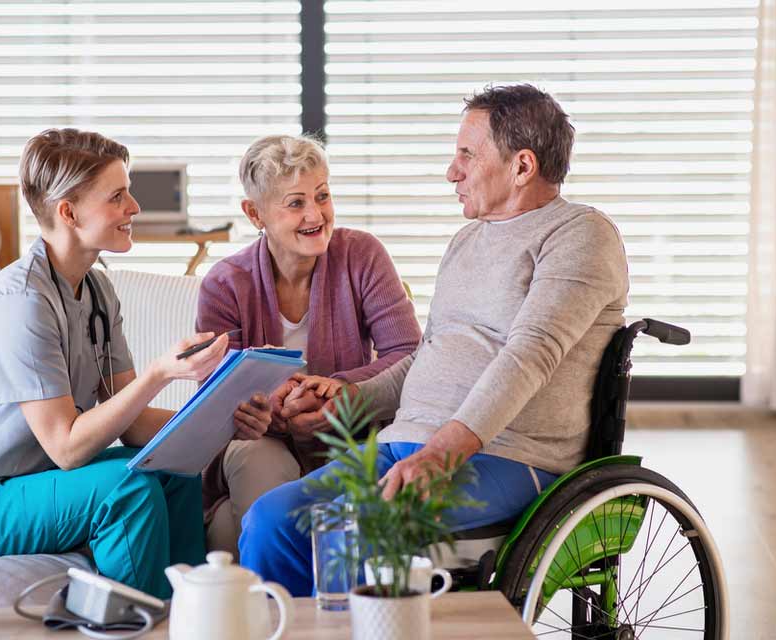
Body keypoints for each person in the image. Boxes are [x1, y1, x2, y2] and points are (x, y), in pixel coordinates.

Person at [239, 84, 631, 596]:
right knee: (270, 519)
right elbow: (430, 357)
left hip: (511, 456)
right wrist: (347, 398)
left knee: (352, 531)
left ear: (522, 166)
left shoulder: (580, 235)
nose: (453, 171)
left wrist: (441, 453)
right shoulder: (468, 239)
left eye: (468, 155)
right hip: (408, 444)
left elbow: (529, 356)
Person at [0, 128, 270, 599]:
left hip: (17, 484)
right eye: (118, 196)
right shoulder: (20, 302)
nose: (134, 208)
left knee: (172, 470)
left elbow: (134, 425)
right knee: (125, 489)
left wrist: (225, 420)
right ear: (68, 212)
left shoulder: (97, 291)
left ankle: (185, 615)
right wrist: (159, 373)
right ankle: (137, 625)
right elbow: (66, 448)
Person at [197, 134, 422, 556]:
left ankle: (291, 600)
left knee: (230, 534)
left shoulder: (362, 255)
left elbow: (409, 354)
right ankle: (292, 605)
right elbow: (216, 391)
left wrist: (333, 391)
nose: (315, 214)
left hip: (350, 437)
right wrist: (278, 404)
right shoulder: (225, 284)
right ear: (255, 213)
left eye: (322, 196)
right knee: (257, 458)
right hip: (264, 443)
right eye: (296, 203)